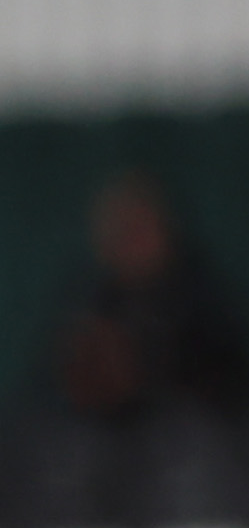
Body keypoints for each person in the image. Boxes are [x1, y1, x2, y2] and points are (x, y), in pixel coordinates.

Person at [51, 173, 244, 423]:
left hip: (185, 429)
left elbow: (223, 376)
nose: (130, 241)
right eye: (120, 230)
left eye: (138, 228)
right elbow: (58, 382)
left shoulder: (199, 295)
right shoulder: (93, 297)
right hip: (102, 430)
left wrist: (141, 369)